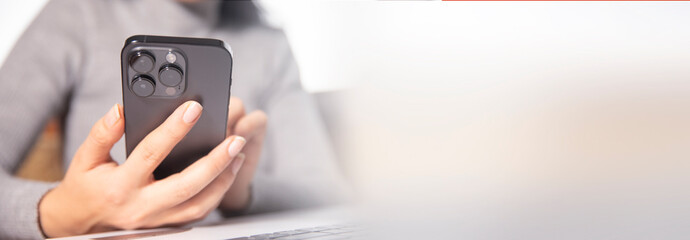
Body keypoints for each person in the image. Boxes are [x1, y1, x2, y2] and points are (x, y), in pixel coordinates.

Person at [0, 0, 346, 238]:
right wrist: (62, 212)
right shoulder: (79, 14)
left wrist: (239, 191)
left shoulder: (269, 45)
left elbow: (327, 192)